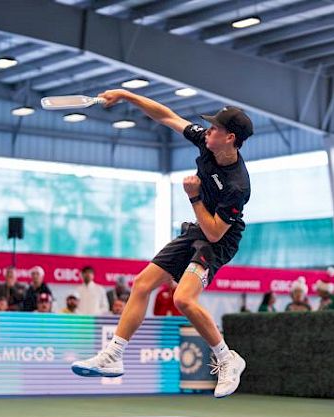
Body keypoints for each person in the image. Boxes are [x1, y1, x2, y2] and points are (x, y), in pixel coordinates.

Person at [72, 89, 253, 398]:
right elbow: (166, 115)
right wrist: (126, 95)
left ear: (230, 138)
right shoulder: (206, 142)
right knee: (142, 283)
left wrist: (194, 196)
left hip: (219, 239)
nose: (208, 130)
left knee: (183, 299)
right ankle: (114, 355)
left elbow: (213, 234)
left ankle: (227, 358)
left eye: (215, 128)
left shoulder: (237, 185)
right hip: (198, 228)